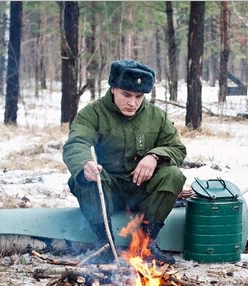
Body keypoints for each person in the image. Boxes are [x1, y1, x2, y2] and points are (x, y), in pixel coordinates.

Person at [63, 60, 187, 265]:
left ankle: (146, 243)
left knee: (173, 174)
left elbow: (177, 148)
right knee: (82, 179)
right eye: (126, 95)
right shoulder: (93, 113)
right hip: (107, 190)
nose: (133, 102)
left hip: (142, 191)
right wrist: (85, 164)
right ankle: (105, 244)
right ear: (113, 88)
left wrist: (154, 156)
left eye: (139, 96)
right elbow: (77, 142)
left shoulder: (156, 116)